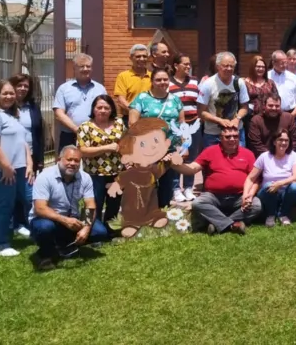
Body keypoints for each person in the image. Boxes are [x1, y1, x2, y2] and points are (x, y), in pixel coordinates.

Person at [168, 125, 262, 235]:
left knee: (256, 205)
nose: (232, 139)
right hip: (213, 196)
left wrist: (249, 196)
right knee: (198, 203)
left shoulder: (248, 153)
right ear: (220, 138)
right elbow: (192, 168)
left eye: (235, 136)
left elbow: (255, 179)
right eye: (228, 137)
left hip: (239, 196)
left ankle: (218, 223)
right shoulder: (210, 151)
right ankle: (232, 224)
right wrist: (174, 165)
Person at [28, 146, 111, 270]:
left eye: (77, 160)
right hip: (48, 219)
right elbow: (39, 208)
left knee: (100, 232)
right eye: (69, 159)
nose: (73, 163)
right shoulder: (45, 177)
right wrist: (64, 220)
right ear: (59, 160)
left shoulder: (85, 178)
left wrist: (86, 228)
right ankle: (45, 253)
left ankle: (64, 245)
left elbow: (90, 205)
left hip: (72, 218)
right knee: (45, 227)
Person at [0, 79, 34, 257]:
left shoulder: (11, 115)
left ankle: (26, 230)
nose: (9, 96)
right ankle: (0, 244)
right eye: (5, 93)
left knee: (29, 198)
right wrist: (6, 166)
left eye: (11, 93)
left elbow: (22, 142)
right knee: (5, 205)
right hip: (2, 170)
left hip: (20, 168)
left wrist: (29, 163)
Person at [128, 67, 185, 208]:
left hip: (169, 150)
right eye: (158, 79)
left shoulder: (176, 100)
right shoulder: (141, 98)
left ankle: (163, 216)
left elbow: (182, 124)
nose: (162, 82)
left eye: (165, 79)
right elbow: (132, 124)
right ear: (152, 81)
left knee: (167, 187)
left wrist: (184, 147)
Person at [76, 94, 125, 237]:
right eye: (99, 107)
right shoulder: (85, 127)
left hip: (117, 172)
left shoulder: (119, 123)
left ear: (111, 110)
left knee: (114, 204)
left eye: (106, 108)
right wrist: (107, 147)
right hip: (94, 174)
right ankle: (87, 232)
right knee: (91, 204)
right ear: (94, 109)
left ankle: (110, 231)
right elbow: (82, 151)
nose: (103, 110)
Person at [245, 130, 296, 227]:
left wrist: (279, 184)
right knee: (268, 185)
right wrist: (246, 195)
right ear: (274, 142)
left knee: (295, 187)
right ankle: (270, 215)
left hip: (286, 193)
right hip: (268, 193)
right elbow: (250, 178)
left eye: (286, 140)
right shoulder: (264, 156)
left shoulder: (294, 155)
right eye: (280, 140)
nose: (283, 143)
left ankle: (283, 214)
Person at [53, 53, 108, 148]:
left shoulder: (100, 88)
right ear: (74, 68)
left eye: (88, 66)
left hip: (95, 134)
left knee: (94, 162)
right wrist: (77, 129)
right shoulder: (64, 88)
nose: (86, 69)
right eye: (82, 66)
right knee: (70, 162)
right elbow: (59, 114)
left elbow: (107, 110)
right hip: (70, 135)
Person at [197, 51, 250, 148]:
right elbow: (201, 112)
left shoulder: (239, 82)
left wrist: (237, 119)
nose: (229, 69)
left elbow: (245, 107)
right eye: (225, 66)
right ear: (218, 66)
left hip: (235, 133)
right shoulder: (208, 84)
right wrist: (219, 121)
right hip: (213, 134)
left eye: (232, 66)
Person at [169, 54, 201, 202]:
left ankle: (188, 188)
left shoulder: (195, 82)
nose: (188, 67)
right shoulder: (168, 82)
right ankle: (176, 188)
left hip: (193, 125)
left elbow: (200, 102)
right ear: (176, 65)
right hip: (176, 127)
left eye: (189, 64)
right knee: (178, 157)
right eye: (185, 64)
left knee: (191, 157)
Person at [9, 73, 45, 175]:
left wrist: (40, 159)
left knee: (29, 188)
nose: (23, 88)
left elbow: (39, 134)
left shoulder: (33, 107)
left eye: (26, 86)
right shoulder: (5, 107)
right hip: (11, 157)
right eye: (19, 85)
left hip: (31, 155)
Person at [113, 44, 152, 122]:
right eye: (138, 56)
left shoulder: (153, 76)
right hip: (129, 118)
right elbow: (121, 100)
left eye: (144, 56)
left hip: (150, 118)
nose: (142, 59)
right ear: (131, 58)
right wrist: (135, 112)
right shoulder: (123, 76)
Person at [242, 55, 278, 133]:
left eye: (263, 67)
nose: (261, 69)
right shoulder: (244, 83)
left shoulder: (270, 83)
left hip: (268, 119)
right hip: (250, 119)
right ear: (252, 67)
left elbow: (276, 99)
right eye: (258, 66)